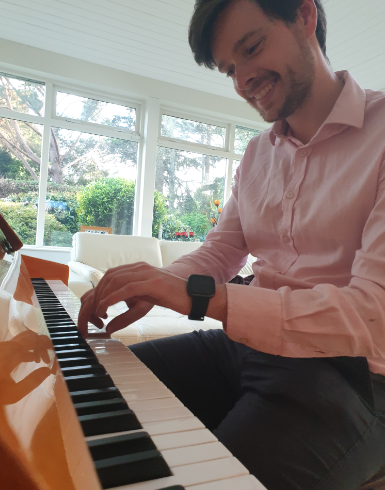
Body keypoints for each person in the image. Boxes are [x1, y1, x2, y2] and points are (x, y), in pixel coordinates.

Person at [78, 1, 385, 488]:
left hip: (355, 378)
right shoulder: (257, 155)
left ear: (305, 17)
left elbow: (374, 314)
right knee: (87, 390)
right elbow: (222, 251)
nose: (242, 80)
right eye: (229, 70)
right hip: (247, 348)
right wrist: (155, 279)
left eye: (252, 47)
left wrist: (205, 297)